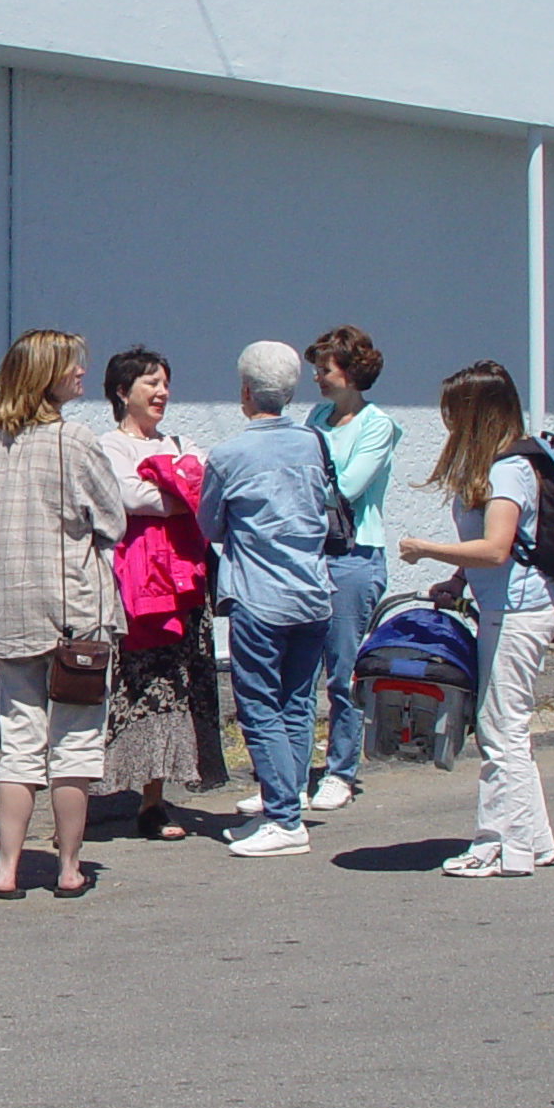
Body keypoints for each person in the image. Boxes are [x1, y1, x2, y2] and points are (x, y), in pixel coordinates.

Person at [0, 330, 126, 899]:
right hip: (72, 612)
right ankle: (67, 868)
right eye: (72, 368)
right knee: (75, 743)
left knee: (19, 743)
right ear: (46, 377)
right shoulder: (74, 439)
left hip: (11, 615)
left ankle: (5, 867)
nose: (81, 375)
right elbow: (112, 519)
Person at [398, 361, 554, 877]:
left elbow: (495, 548)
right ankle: (533, 841)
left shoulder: (509, 469)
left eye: (454, 412)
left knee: (500, 731)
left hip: (518, 611)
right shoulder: (501, 465)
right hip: (506, 607)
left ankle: (498, 846)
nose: (447, 423)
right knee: (508, 728)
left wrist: (428, 550)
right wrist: (458, 582)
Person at [197, 340, 333, 859]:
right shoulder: (312, 443)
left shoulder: (230, 454)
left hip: (261, 594)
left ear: (246, 391)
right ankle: (288, 798)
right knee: (298, 702)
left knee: (259, 707)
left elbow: (209, 523)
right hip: (314, 590)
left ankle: (283, 816)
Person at [94, 344, 223, 842]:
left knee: (181, 684)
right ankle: (112, 786)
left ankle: (155, 800)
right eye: (151, 382)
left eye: (166, 382)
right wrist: (179, 493)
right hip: (139, 586)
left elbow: (204, 488)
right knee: (141, 685)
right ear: (123, 392)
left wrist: (175, 492)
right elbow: (128, 497)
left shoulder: (180, 440)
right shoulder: (111, 445)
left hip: (186, 582)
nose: (162, 392)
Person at [303, 325, 403, 814]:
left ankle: (340, 770)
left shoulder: (376, 425)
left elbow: (349, 486)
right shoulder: (316, 416)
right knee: (299, 670)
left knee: (341, 673)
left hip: (353, 555)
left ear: (351, 370)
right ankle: (292, 771)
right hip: (310, 552)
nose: (318, 377)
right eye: (317, 369)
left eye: (326, 368)